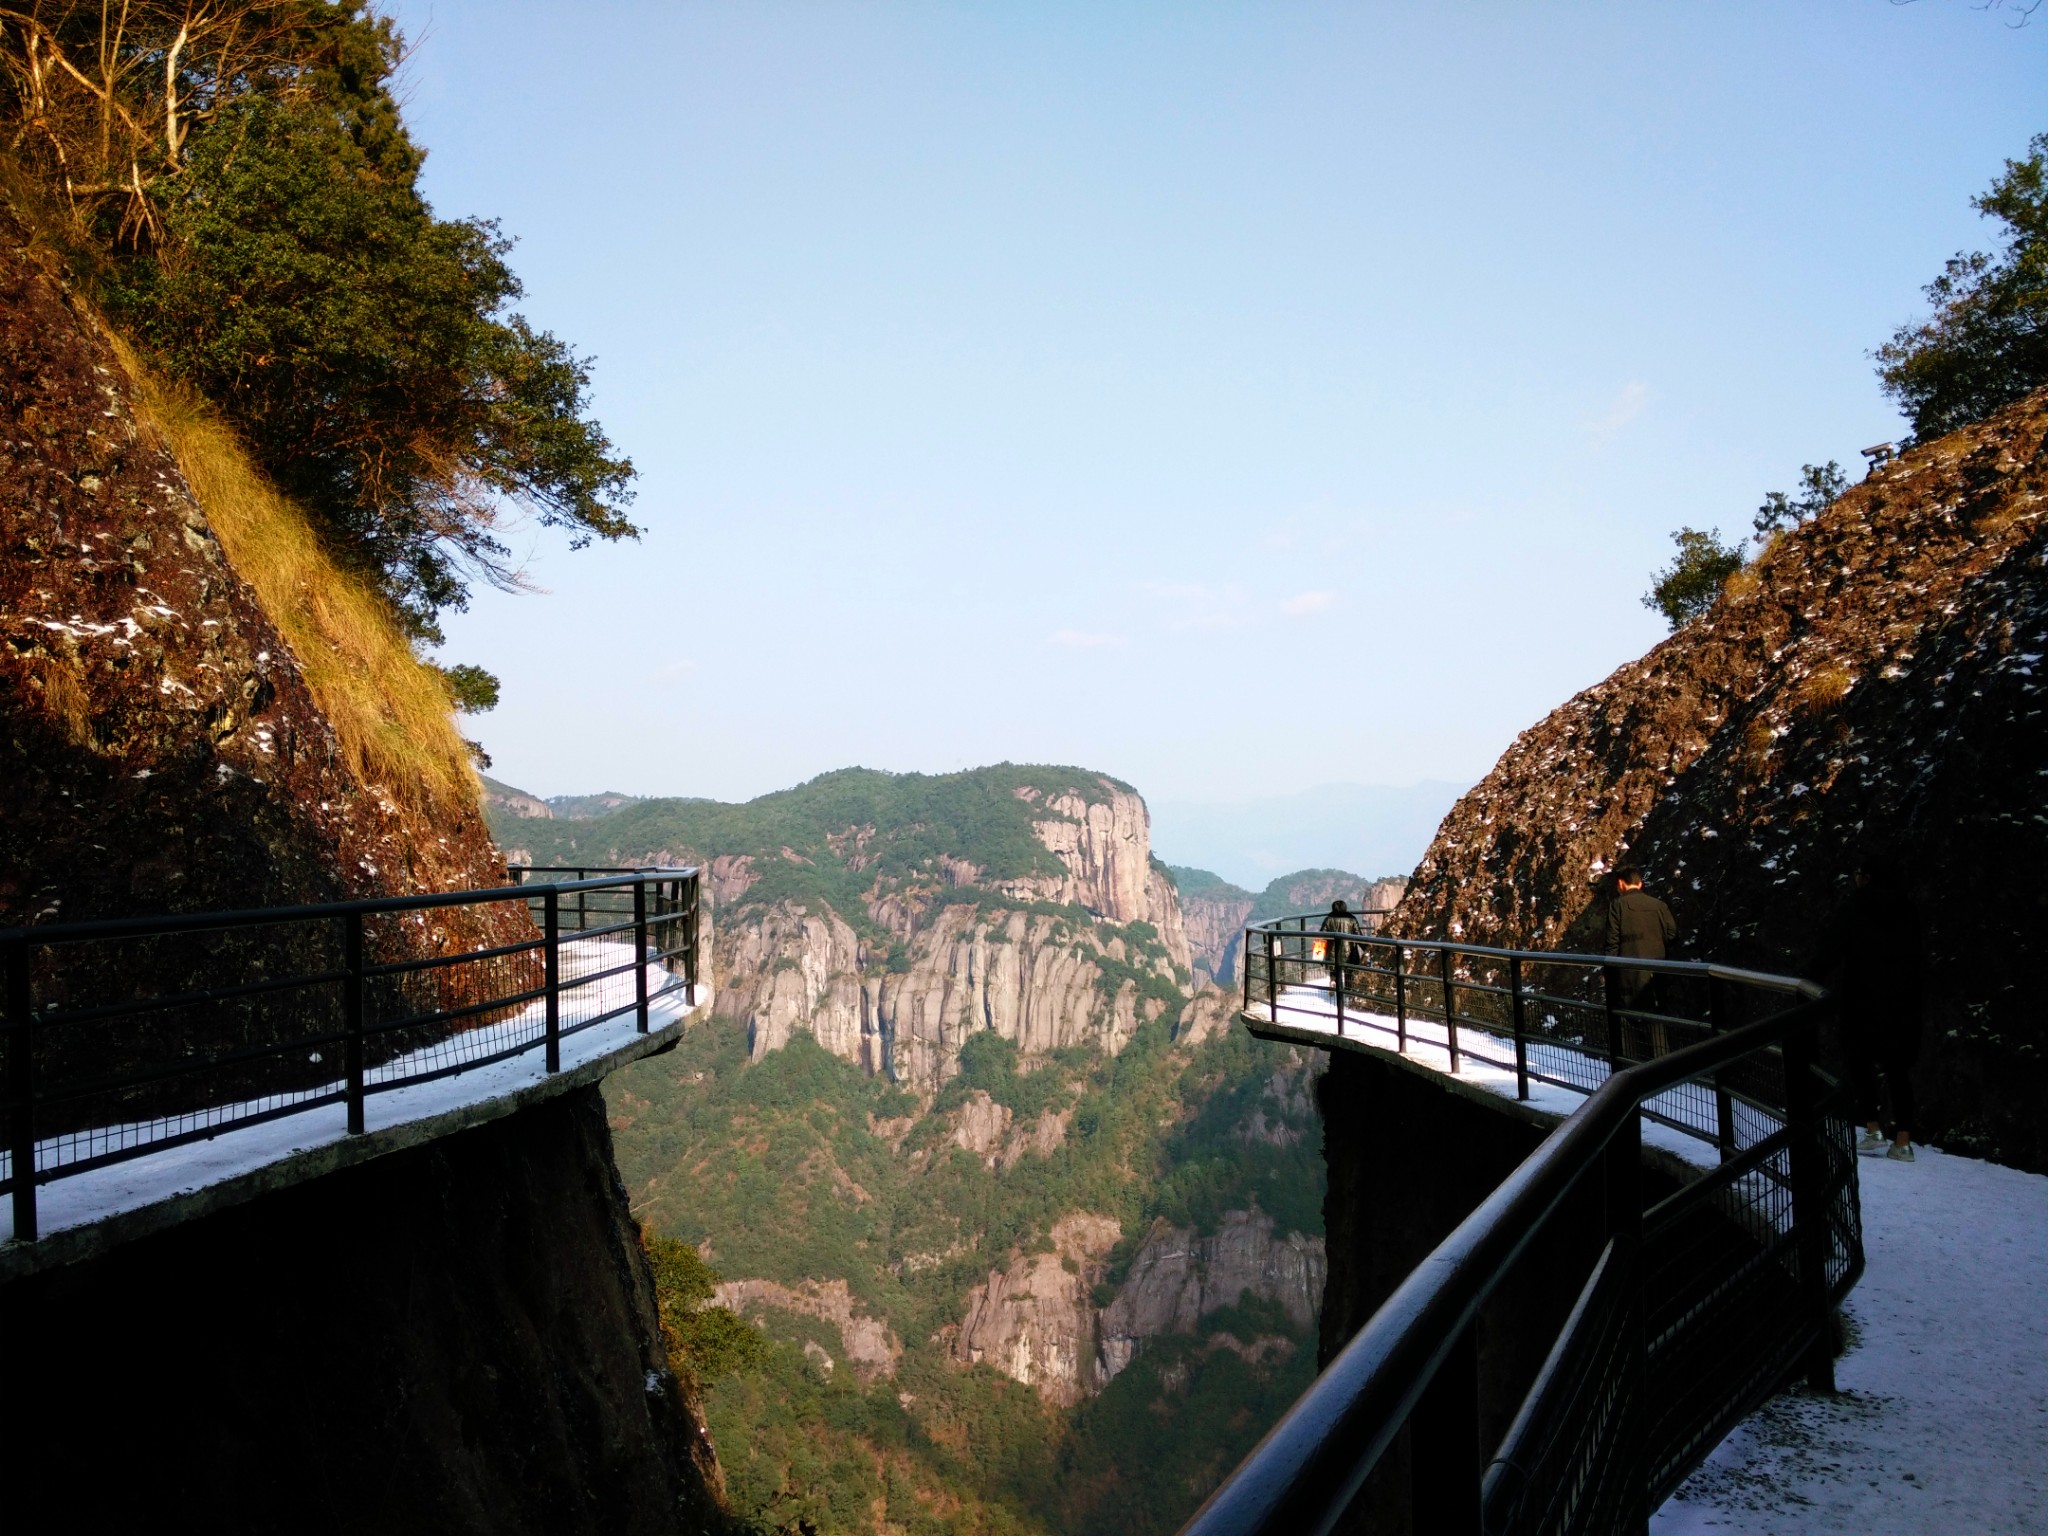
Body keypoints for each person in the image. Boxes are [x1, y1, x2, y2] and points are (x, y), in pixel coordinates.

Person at [1813, 856, 1923, 1163]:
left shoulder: (1855, 908)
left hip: (1862, 997)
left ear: (1867, 878)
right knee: (1898, 1068)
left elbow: (1831, 950)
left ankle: (1873, 1128)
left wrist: (1807, 979)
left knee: (1859, 1061)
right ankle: (1903, 1140)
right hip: (1903, 1001)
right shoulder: (1908, 908)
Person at [1605, 865, 1678, 1056]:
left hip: (1627, 975)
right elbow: (1672, 934)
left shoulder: (1617, 906)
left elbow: (1612, 943)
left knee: (1626, 1020)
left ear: (1621, 883)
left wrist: (1609, 973)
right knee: (1656, 1021)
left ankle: (1631, 1069)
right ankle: (1663, 1067)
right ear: (1640, 883)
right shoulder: (1659, 905)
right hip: (1657, 972)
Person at [1319, 899, 1363, 1001]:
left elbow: (1321, 936)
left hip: (1332, 951)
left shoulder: (1328, 919)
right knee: (1348, 973)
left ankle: (1333, 982)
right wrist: (1366, 948)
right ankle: (1348, 993)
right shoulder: (1351, 919)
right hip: (1349, 952)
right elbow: (1358, 935)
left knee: (1334, 970)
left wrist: (1319, 955)